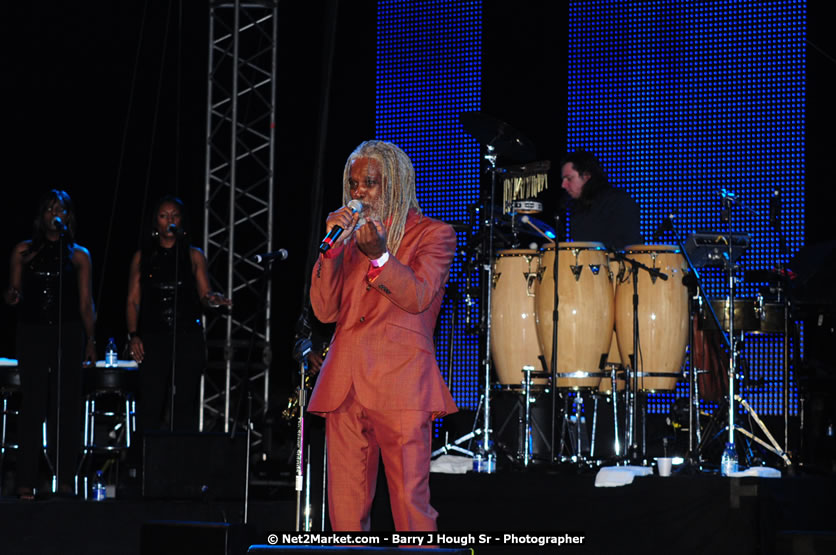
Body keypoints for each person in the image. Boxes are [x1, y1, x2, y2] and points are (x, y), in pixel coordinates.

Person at [308, 140, 458, 531]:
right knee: (344, 516)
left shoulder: (433, 235)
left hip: (402, 384)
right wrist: (330, 252)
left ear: (393, 183)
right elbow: (324, 311)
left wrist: (380, 257)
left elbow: (419, 295)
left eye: (369, 183)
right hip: (344, 386)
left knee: (410, 509)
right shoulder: (346, 239)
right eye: (354, 184)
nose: (358, 193)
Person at [4, 190, 96, 499]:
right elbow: (13, 291)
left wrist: (91, 340)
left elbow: (85, 302)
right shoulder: (23, 252)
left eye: (61, 209)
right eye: (49, 209)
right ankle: (25, 482)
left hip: (68, 334)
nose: (55, 214)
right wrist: (12, 296)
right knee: (33, 406)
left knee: (66, 407)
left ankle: (65, 480)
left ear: (68, 216)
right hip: (32, 333)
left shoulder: (78, 255)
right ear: (42, 215)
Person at [125, 195, 229, 434]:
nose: (169, 220)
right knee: (151, 403)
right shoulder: (143, 257)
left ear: (181, 221)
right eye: (164, 216)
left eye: (174, 215)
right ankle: (146, 465)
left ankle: (182, 465)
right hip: (154, 337)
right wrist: (134, 335)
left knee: (184, 405)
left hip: (187, 337)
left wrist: (213, 300)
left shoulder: (193, 256)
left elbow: (205, 293)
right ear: (156, 222)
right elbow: (132, 300)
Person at [560, 148, 643, 250]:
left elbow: (628, 245)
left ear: (586, 176)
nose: (563, 185)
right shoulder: (577, 207)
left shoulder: (618, 201)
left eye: (569, 178)